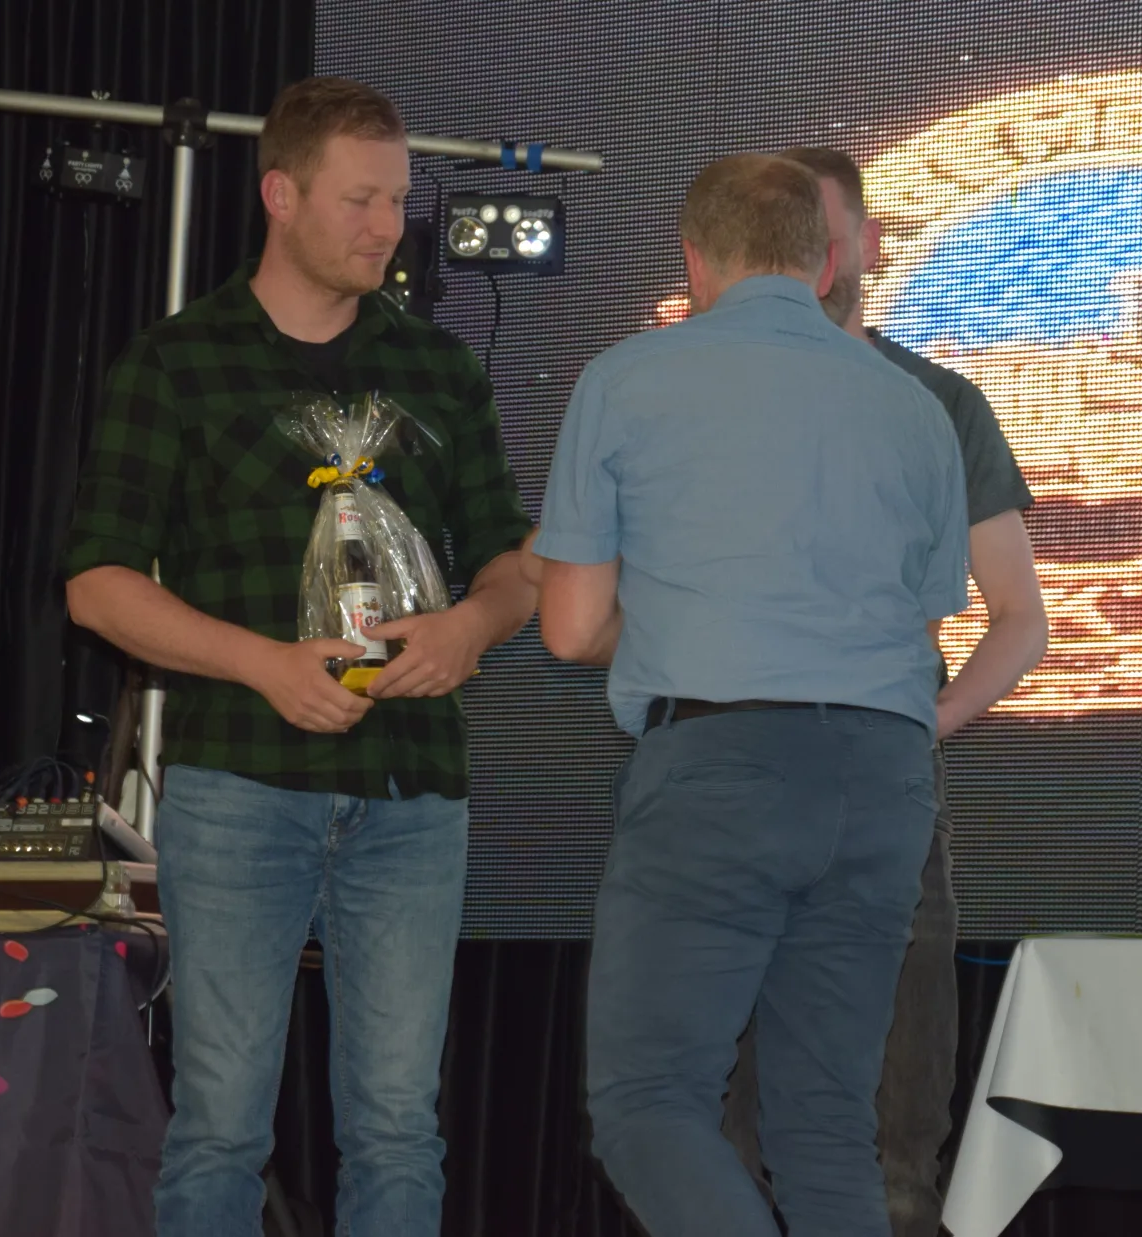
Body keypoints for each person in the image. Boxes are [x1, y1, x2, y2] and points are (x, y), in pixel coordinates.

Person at [63, 77, 535, 1237]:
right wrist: (265, 664)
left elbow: (515, 564)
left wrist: (469, 627)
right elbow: (97, 584)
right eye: (359, 200)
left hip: (412, 792)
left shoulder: (439, 370)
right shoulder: (177, 364)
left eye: (399, 201)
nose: (388, 227)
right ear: (280, 195)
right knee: (221, 1123)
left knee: (398, 1125)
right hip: (239, 786)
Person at [530, 153, 970, 1237]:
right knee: (826, 1125)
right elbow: (925, 622)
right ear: (825, 264)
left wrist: (675, 616)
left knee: (648, 1103)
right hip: (883, 780)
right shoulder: (915, 406)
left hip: (720, 768)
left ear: (694, 260)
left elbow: (570, 627)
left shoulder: (626, 380)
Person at [713, 145, 1048, 1237]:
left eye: (825, 235)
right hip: (727, 780)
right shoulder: (703, 393)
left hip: (885, 792)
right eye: (785, 239)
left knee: (897, 1135)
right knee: (718, 1129)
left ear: (864, 243)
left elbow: (1020, 616)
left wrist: (928, 720)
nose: (811, 259)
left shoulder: (936, 401)